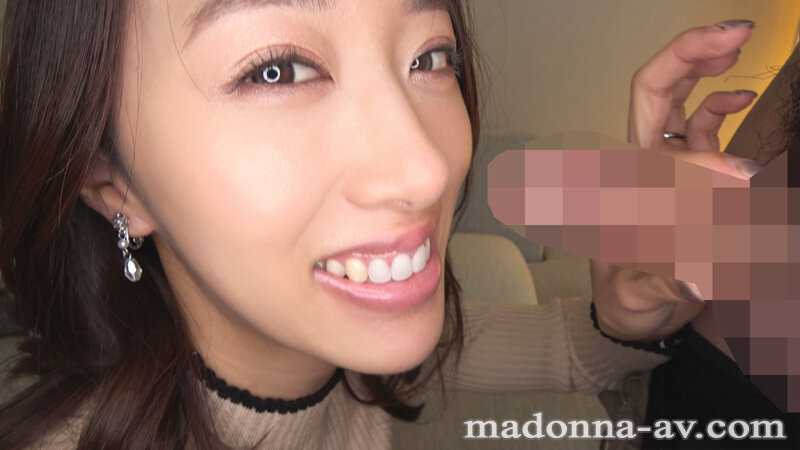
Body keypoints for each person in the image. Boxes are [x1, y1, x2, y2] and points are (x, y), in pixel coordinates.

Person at [0, 1, 761, 448]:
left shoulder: (348, 355)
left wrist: (629, 308)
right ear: (113, 185)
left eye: (431, 57)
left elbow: (572, 354)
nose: (426, 169)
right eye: (276, 69)